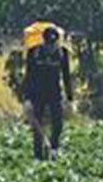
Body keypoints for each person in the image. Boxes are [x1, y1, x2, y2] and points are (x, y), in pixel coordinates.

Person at [21, 25, 74, 160]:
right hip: (37, 93)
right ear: (43, 41)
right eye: (48, 44)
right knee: (37, 124)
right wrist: (26, 98)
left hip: (54, 92)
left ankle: (54, 149)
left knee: (58, 123)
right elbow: (28, 75)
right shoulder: (34, 52)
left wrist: (70, 98)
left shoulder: (62, 53)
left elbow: (66, 75)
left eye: (53, 44)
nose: (51, 47)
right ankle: (38, 155)